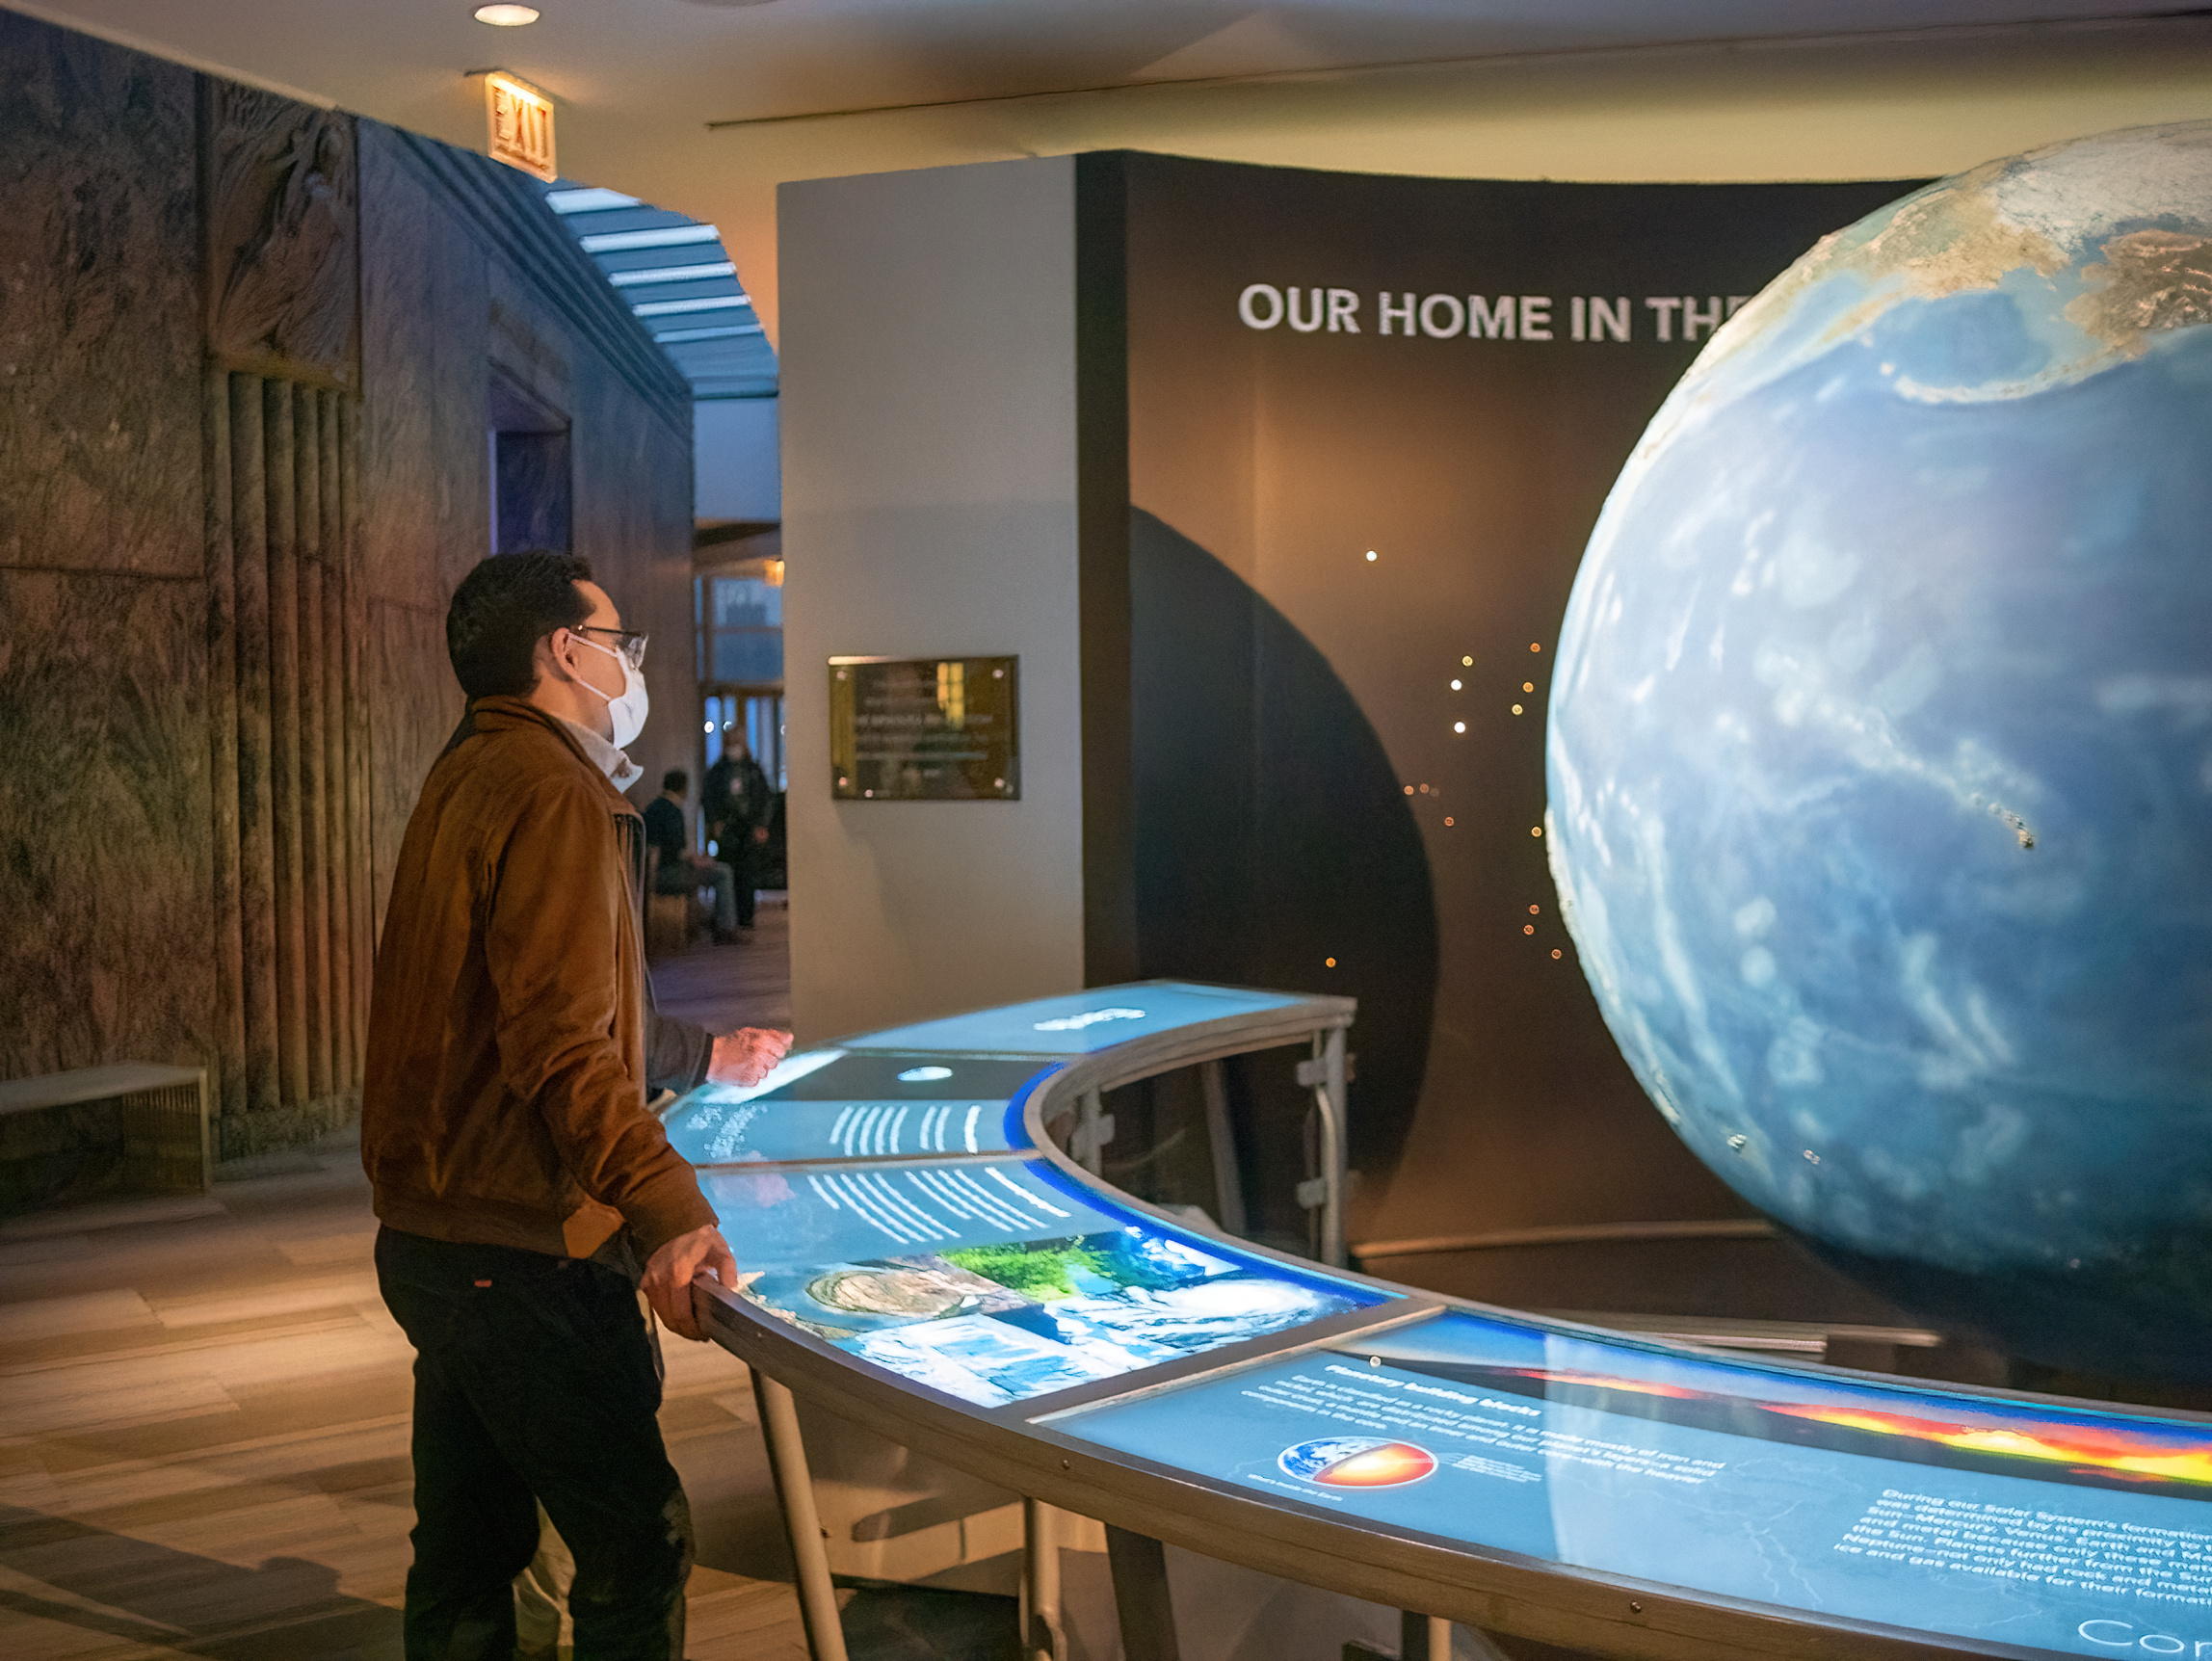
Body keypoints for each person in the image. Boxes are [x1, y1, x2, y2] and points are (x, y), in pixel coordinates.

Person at [363, 550, 792, 1661]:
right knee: (634, 1550)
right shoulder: (553, 788)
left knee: (466, 1544)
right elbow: (560, 1043)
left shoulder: (475, 769)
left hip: (441, 1233)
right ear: (565, 651)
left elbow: (547, 1003)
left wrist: (698, 1053)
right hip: (525, 1249)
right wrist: (667, 1207)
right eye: (618, 644)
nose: (626, 665)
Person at [644, 768, 743, 944]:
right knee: (723, 872)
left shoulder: (653, 807)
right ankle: (725, 928)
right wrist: (697, 860)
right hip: (668, 874)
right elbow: (676, 851)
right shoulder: (673, 811)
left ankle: (714, 922)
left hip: (652, 874)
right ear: (683, 788)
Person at [701, 737, 773, 932]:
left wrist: (761, 824)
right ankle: (727, 919)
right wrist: (715, 821)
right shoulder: (718, 772)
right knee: (727, 870)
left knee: (747, 873)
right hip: (727, 827)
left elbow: (764, 798)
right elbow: (708, 797)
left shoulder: (753, 770)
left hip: (748, 827)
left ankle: (745, 917)